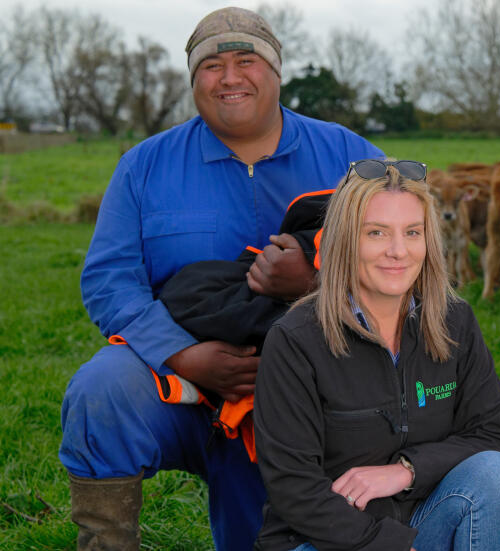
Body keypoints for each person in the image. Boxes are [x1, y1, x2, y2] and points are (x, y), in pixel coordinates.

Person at [59, 7, 383, 550]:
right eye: (211, 66)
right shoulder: (144, 166)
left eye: (246, 61)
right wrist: (183, 355)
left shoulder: (352, 158)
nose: (229, 78)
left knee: (259, 535)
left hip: (313, 390)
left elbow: (408, 263)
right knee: (101, 390)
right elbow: (109, 279)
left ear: (276, 71)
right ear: (193, 80)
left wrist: (315, 281)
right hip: (181, 384)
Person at [251, 159, 500, 551]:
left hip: (425, 520)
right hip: (325, 538)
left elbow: (491, 436)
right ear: (345, 239)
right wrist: (388, 545)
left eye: (412, 232)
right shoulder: (295, 340)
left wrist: (406, 471)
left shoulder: (455, 321)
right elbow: (293, 485)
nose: (398, 251)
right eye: (376, 233)